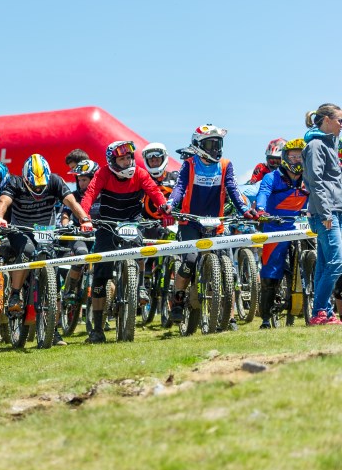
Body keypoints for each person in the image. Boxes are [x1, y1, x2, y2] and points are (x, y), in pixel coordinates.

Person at [0, 155, 93, 347]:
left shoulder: (55, 181)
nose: (38, 189)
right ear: (25, 178)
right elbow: (3, 202)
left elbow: (72, 202)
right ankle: (15, 293)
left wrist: (84, 219)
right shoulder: (14, 182)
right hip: (21, 230)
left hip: (47, 231)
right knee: (27, 250)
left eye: (41, 186)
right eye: (34, 186)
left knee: (52, 282)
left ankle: (53, 332)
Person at [80, 141, 171, 343]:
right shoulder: (103, 173)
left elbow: (154, 191)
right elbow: (90, 193)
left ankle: (138, 286)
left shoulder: (139, 173)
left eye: (129, 157)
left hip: (132, 222)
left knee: (139, 249)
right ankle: (97, 329)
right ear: (113, 161)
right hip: (107, 224)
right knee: (101, 276)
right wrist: (84, 217)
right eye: (122, 158)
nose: (127, 161)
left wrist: (163, 206)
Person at [164, 125, 255, 326]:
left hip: (217, 224)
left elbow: (233, 189)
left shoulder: (225, 165)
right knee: (189, 261)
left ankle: (229, 316)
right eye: (210, 144)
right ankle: (177, 300)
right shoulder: (189, 164)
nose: (215, 148)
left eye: (218, 144)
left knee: (228, 270)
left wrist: (245, 210)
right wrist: (170, 204)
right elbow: (179, 188)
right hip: (190, 222)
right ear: (198, 145)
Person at [254, 139, 310, 327]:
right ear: (285, 158)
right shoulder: (272, 177)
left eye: (300, 156)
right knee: (271, 272)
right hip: (275, 227)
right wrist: (261, 210)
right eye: (292, 156)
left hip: (302, 226)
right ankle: (266, 318)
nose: (296, 160)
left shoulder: (309, 177)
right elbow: (263, 193)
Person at [302, 104, 342, 324]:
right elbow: (316, 182)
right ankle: (320, 311)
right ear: (326, 120)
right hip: (326, 214)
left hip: (335, 211)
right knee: (337, 263)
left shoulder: (330, 144)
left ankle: (322, 313)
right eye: (339, 121)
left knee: (326, 264)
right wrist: (326, 214)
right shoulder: (316, 145)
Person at [59, 159, 100, 305]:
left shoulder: (104, 195)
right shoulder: (74, 196)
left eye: (84, 180)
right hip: (79, 235)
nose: (81, 183)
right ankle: (70, 289)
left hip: (99, 235)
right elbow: (65, 214)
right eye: (79, 179)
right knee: (81, 254)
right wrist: (66, 224)